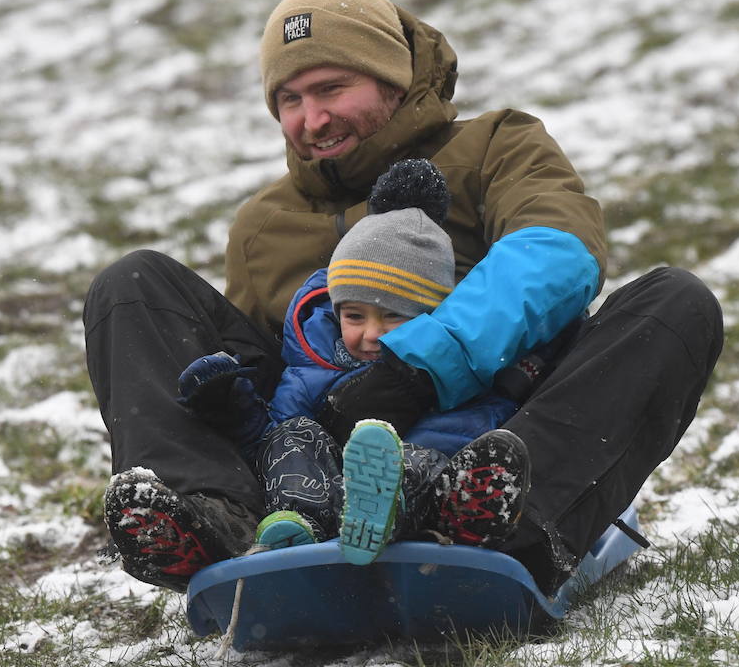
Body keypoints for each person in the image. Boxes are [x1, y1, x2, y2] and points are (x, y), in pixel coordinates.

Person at [85, 0, 724, 594]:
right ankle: (216, 521)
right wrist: (233, 402)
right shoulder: (262, 225)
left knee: (675, 304)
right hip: (316, 453)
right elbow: (270, 371)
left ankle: (491, 519)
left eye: (332, 87)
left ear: (393, 77)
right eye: (290, 101)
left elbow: (557, 253)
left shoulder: (495, 145)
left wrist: (419, 369)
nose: (313, 118)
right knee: (132, 282)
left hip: (487, 425)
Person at [173, 159, 530, 566]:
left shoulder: (452, 369)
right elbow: (270, 436)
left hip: (420, 495)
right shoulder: (312, 366)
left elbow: (488, 414)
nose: (371, 334)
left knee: (418, 456)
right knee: (294, 435)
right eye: (355, 316)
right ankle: (299, 524)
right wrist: (235, 407)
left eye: (395, 316)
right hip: (322, 487)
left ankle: (378, 514)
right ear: (335, 311)